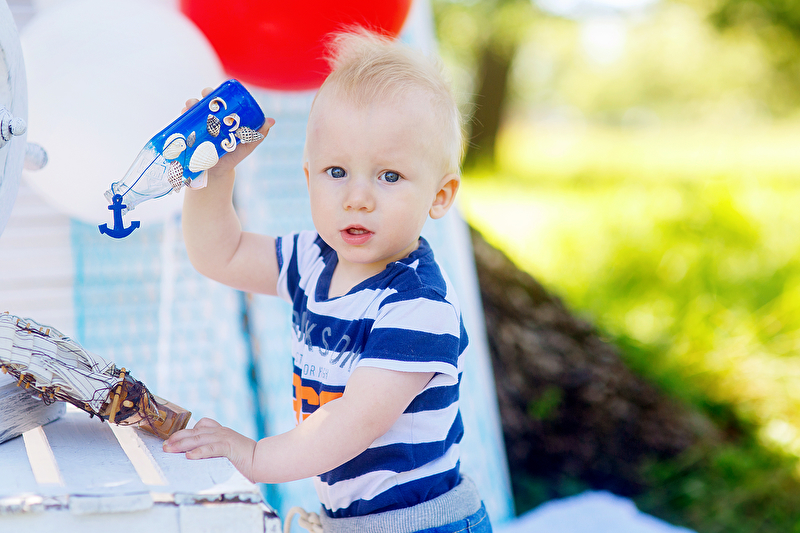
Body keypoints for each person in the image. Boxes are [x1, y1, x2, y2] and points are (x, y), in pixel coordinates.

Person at [164, 28, 492, 532]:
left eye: (389, 176)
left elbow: (350, 424)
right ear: (308, 176)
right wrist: (213, 178)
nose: (357, 198)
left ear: (440, 195)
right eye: (336, 171)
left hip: (422, 524)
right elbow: (221, 254)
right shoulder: (312, 260)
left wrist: (252, 456)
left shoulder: (418, 306)